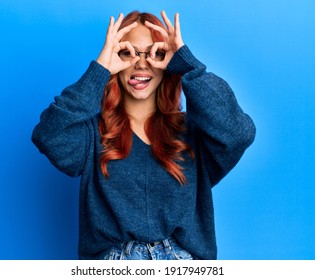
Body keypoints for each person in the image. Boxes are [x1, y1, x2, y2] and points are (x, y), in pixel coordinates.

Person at [32, 10, 256, 260]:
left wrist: (187, 64)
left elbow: (238, 133)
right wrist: (100, 69)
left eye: (155, 53)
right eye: (128, 53)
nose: (141, 63)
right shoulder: (91, 134)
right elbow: (48, 135)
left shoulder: (194, 132)